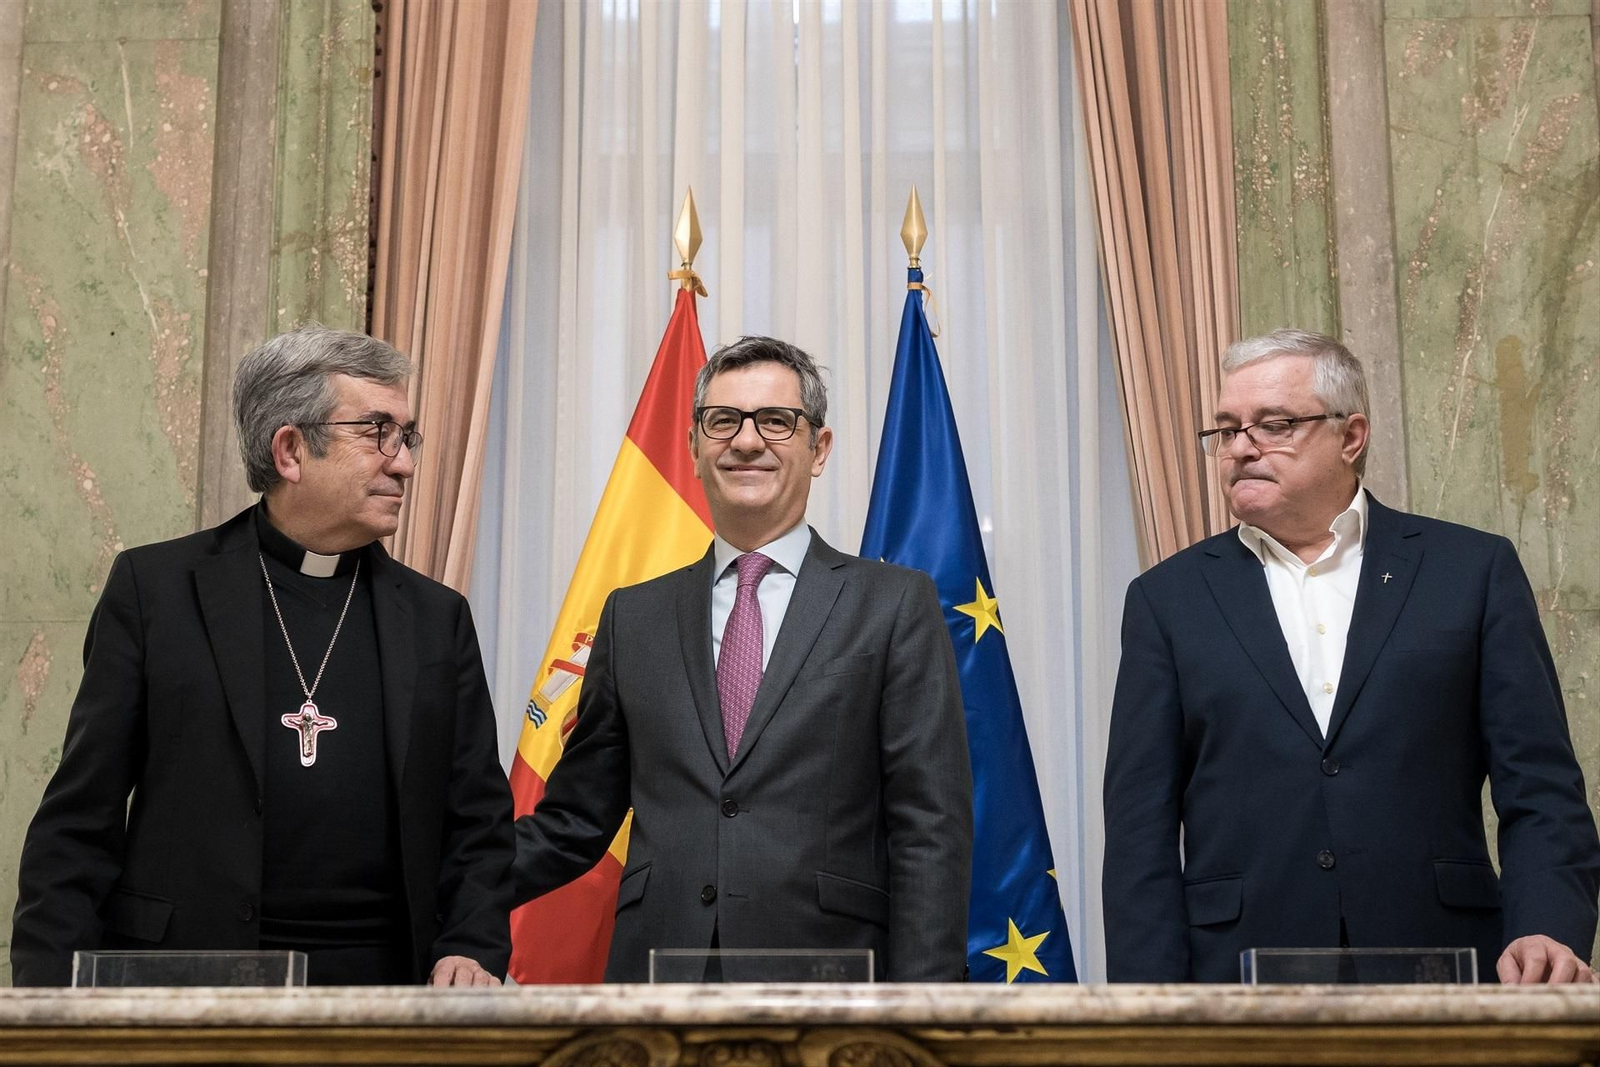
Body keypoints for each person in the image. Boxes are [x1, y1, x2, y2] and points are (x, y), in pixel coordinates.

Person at [12, 325, 513, 987]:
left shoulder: (435, 620)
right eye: (378, 431)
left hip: (384, 1001)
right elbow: (80, 822)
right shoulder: (157, 592)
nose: (405, 462)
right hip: (187, 992)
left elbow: (477, 821)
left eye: (406, 435)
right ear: (290, 449)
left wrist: (470, 945)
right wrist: (48, 1015)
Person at [1102, 328, 1600, 985]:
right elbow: (1141, 828)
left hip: (1445, 970)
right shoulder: (1167, 599)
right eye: (1226, 429)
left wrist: (1548, 924)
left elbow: (1539, 787)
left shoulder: (1471, 571)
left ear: (1351, 435)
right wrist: (1149, 1005)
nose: (1242, 446)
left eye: (1273, 423)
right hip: (1235, 983)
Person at [511, 336, 972, 981]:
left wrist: (926, 1013)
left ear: (820, 449)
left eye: (776, 421)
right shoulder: (632, 616)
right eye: (723, 421)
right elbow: (575, 821)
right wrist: (440, 883)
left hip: (830, 983)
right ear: (695, 448)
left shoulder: (893, 605)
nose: (747, 441)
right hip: (658, 983)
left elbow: (930, 827)